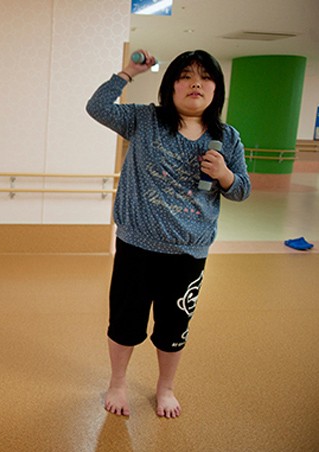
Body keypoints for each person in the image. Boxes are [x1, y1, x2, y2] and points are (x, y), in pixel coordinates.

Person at [86, 50, 250, 418]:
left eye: (205, 77)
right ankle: (117, 383)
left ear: (217, 89)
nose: (196, 83)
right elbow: (97, 107)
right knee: (125, 321)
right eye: (185, 75)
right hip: (136, 246)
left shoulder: (227, 137)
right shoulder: (145, 120)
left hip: (189, 253)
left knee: (175, 326)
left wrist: (225, 175)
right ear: (170, 85)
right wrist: (128, 72)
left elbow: (242, 189)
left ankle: (166, 387)